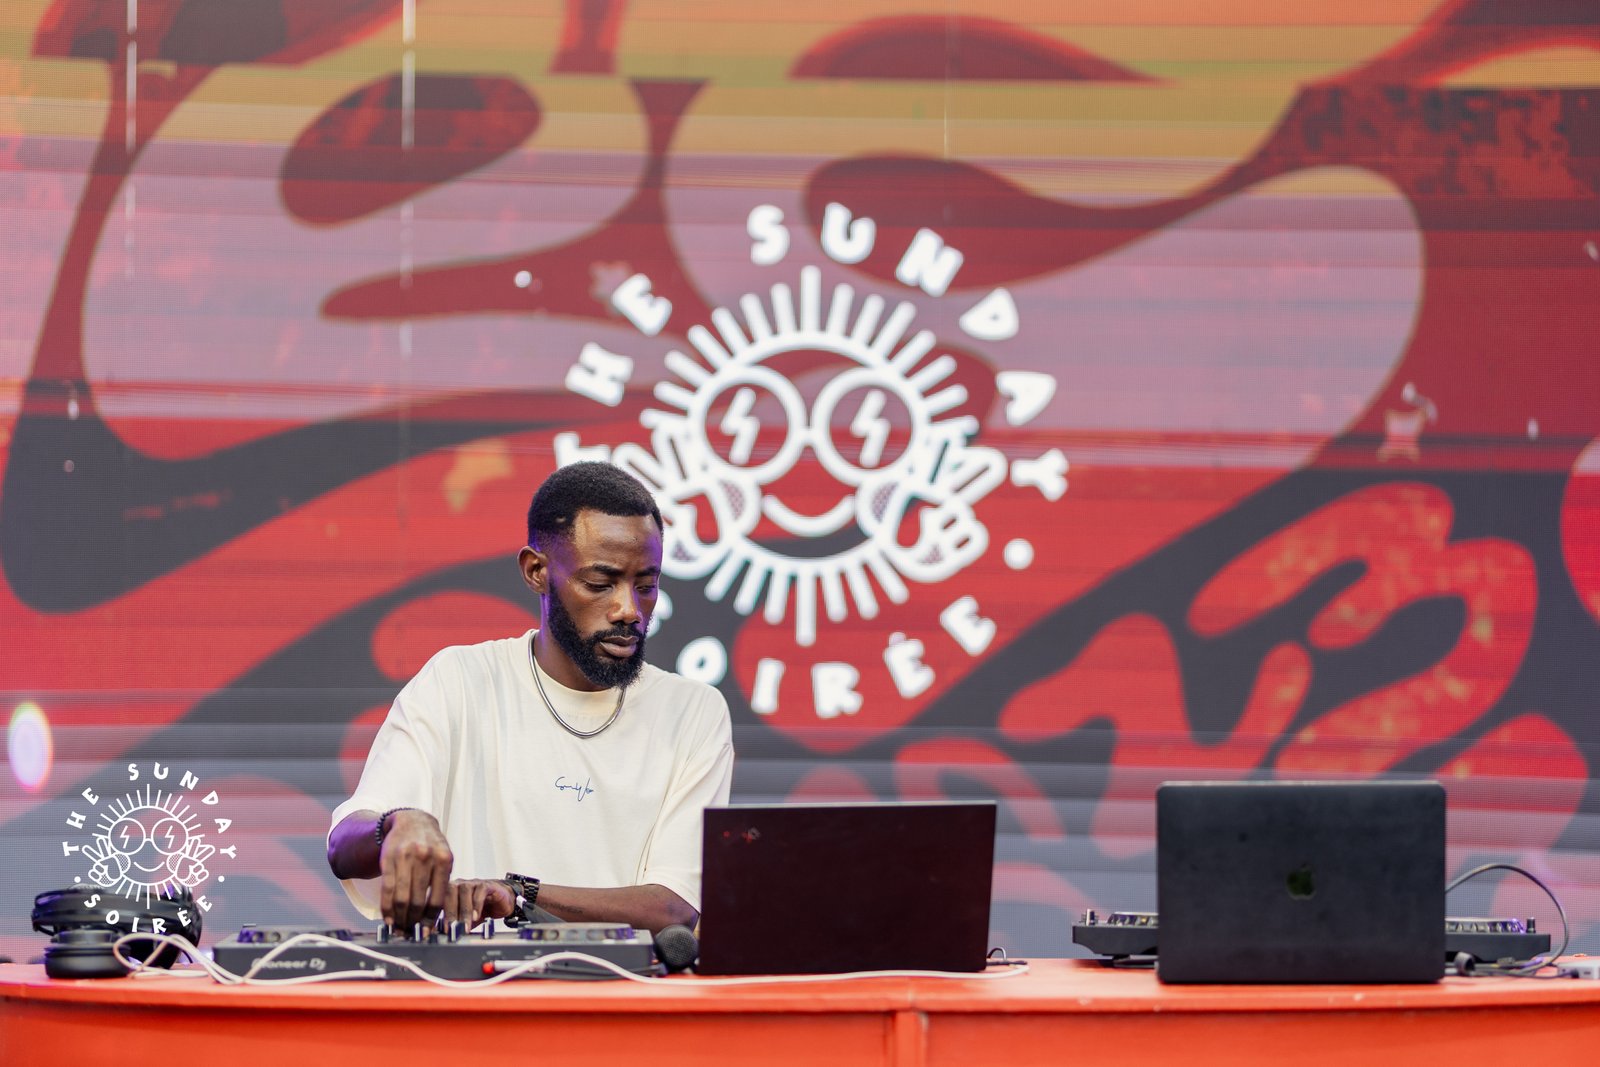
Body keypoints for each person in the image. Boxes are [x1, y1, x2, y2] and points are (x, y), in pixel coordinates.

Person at [327, 461, 734, 935]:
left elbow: (674, 908)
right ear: (536, 571)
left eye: (646, 586)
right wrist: (396, 824)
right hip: (475, 982)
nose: (629, 610)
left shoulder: (693, 713)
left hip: (625, 983)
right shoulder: (460, 680)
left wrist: (517, 894)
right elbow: (343, 845)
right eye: (600, 584)